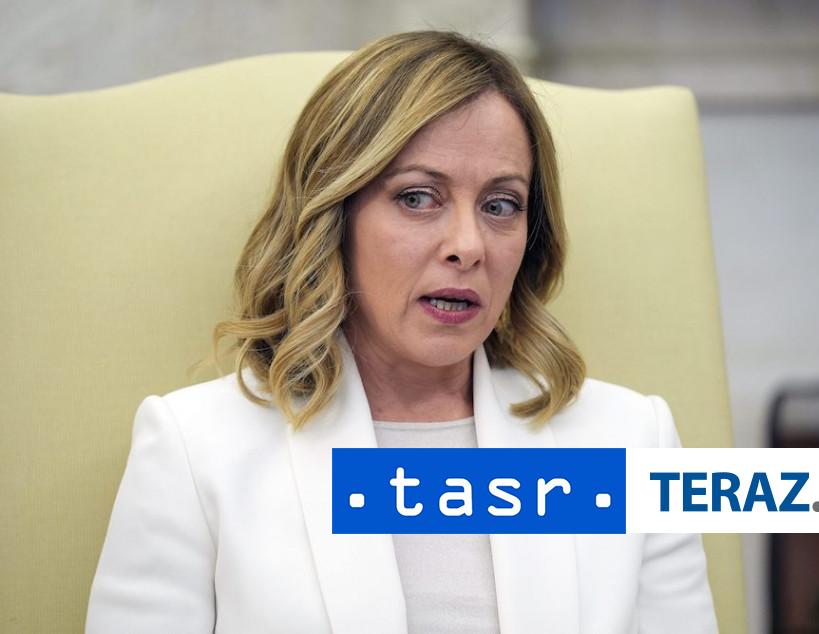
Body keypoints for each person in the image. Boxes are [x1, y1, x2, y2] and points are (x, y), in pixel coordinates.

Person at [86, 30, 718, 634]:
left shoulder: (632, 442)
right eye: (418, 198)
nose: (469, 245)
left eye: (500, 205)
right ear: (335, 218)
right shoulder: (195, 448)